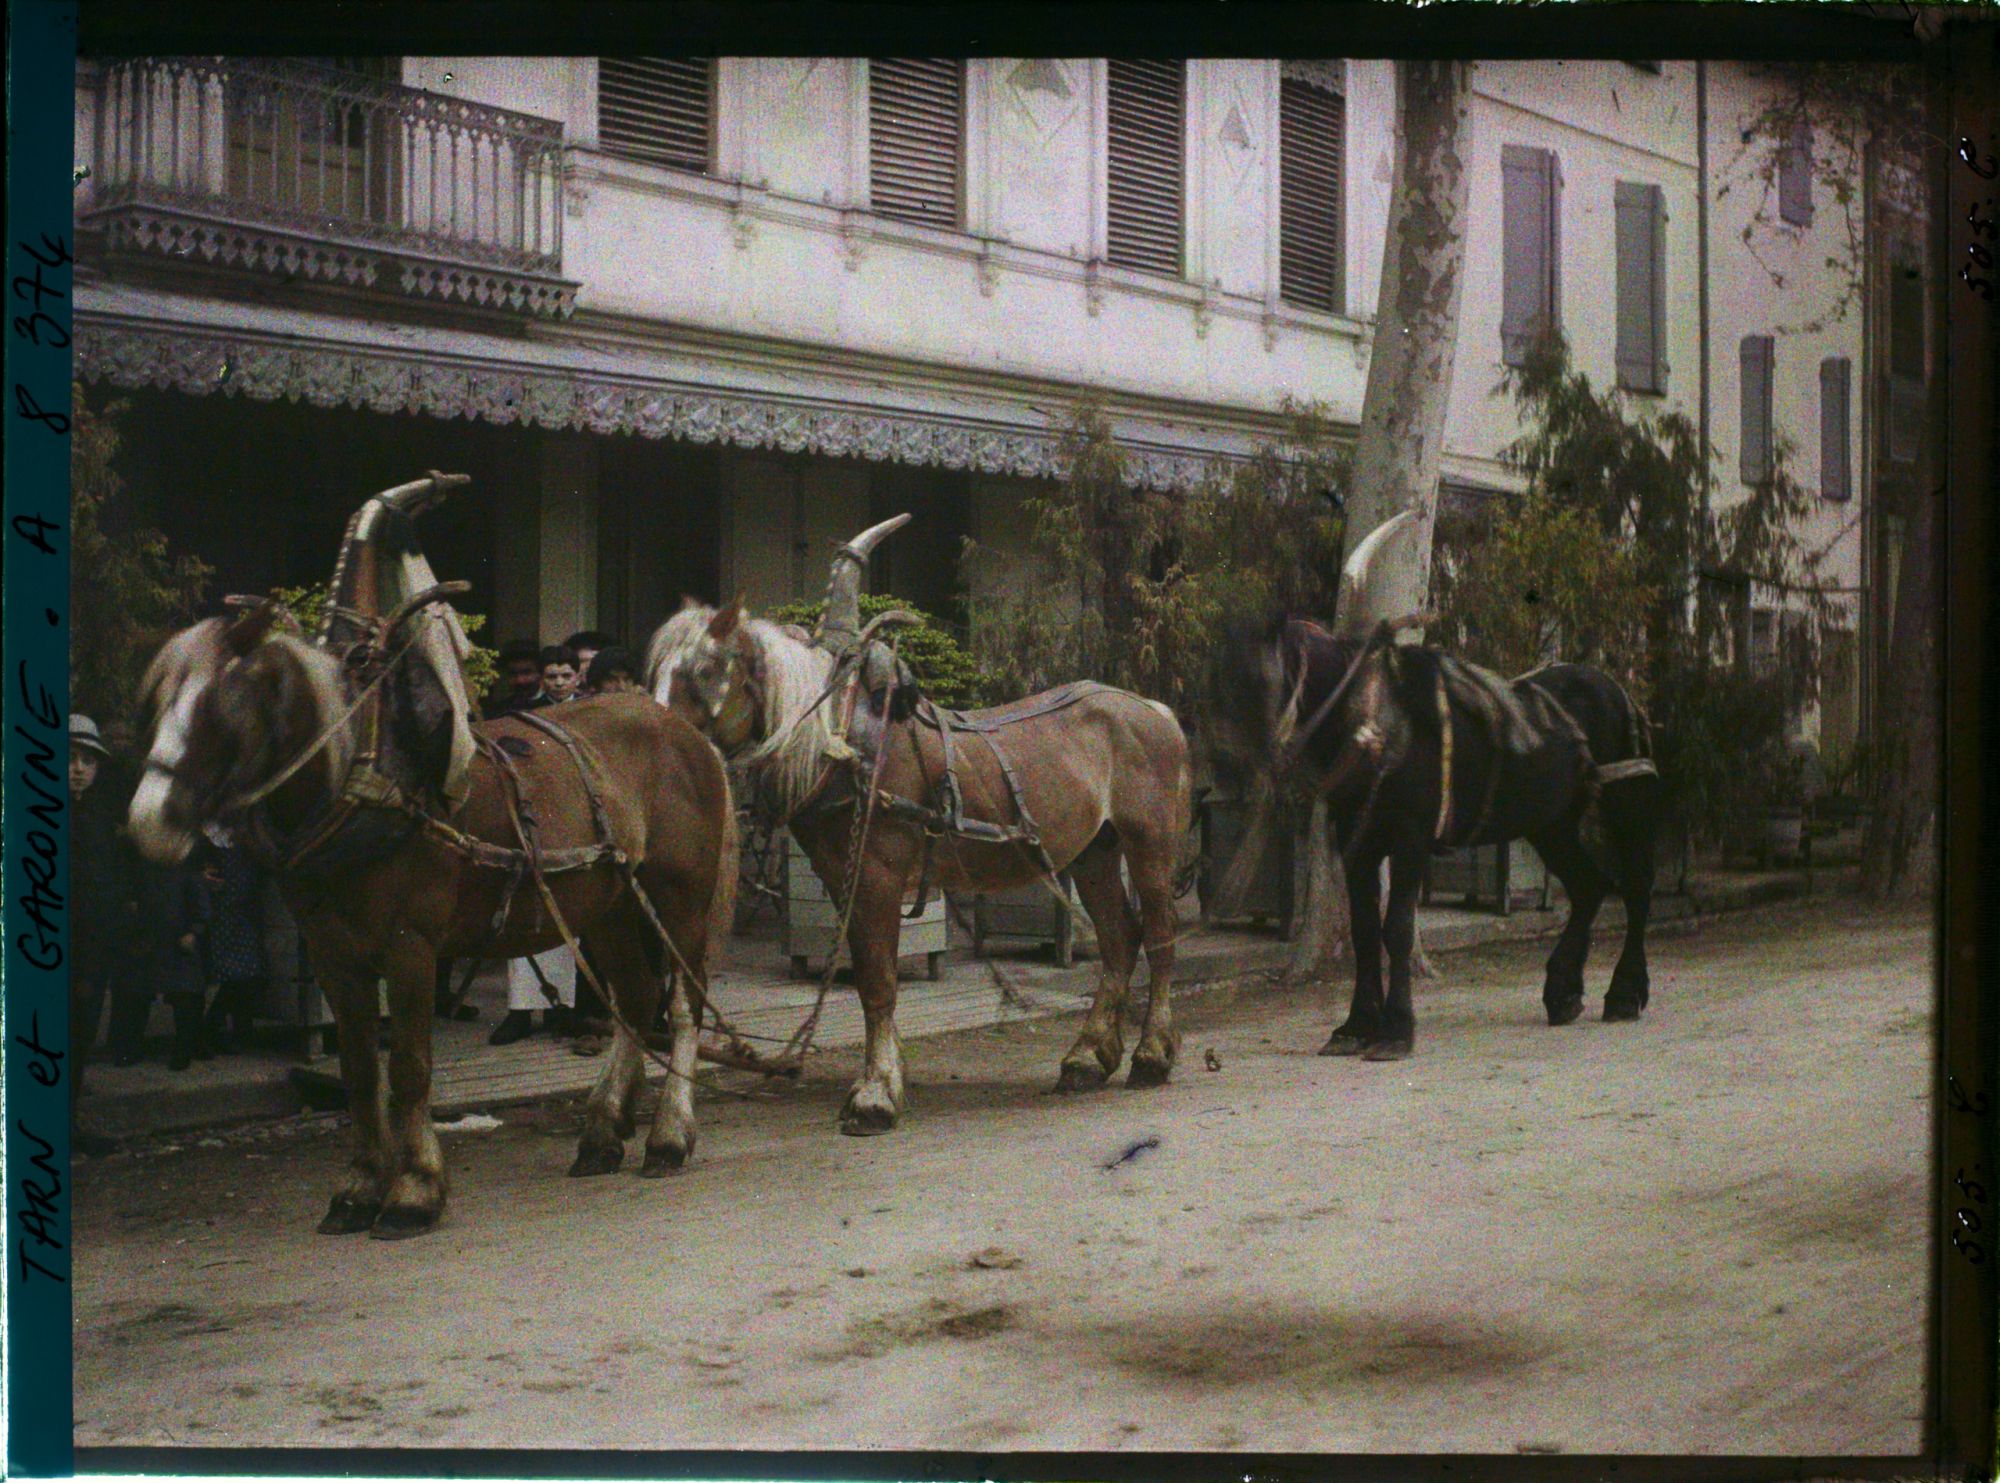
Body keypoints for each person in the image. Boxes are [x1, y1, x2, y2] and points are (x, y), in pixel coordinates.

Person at [70, 716, 137, 1111]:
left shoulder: (102, 818)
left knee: (81, 1036)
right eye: (69, 758)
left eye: (88, 761)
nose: (78, 769)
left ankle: (69, 1123)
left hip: (92, 954)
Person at [113, 843, 213, 1071]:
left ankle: (184, 1051)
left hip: (178, 944)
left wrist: (193, 932)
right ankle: (130, 1049)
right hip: (147, 940)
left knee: (186, 999)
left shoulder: (186, 868)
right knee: (136, 997)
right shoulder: (141, 865)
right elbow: (130, 895)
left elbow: (201, 906)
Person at [200, 826, 267, 1054]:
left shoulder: (247, 838)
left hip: (246, 912)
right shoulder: (207, 840)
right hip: (223, 912)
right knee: (235, 975)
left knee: (247, 973)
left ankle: (236, 1033)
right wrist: (204, 877)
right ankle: (210, 1030)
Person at [485, 640, 544, 718]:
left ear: (540, 674)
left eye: (526, 673)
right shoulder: (499, 711)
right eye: (513, 674)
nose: (520, 680)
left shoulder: (554, 705)